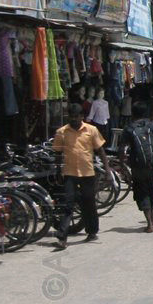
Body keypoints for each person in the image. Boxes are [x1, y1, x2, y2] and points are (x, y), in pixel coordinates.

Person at [51, 103, 112, 250]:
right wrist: (58, 171)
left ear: (82, 117)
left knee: (89, 203)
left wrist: (107, 170)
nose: (74, 119)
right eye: (71, 116)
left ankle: (92, 231)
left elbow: (100, 151)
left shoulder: (91, 130)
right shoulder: (61, 132)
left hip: (87, 173)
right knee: (68, 205)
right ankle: (62, 237)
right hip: (69, 174)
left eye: (76, 116)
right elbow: (57, 153)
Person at [121, 101, 153, 233]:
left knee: (141, 192)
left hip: (137, 166)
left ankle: (149, 224)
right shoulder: (152, 126)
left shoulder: (129, 128)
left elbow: (121, 148)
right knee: (151, 189)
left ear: (132, 113)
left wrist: (121, 164)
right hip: (152, 165)